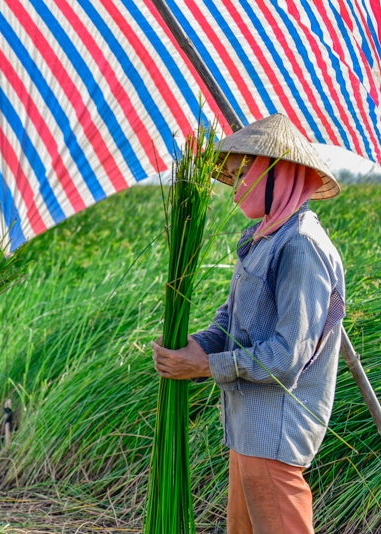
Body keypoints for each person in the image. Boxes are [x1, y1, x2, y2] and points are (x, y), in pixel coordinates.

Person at [151, 114, 345, 534]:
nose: (236, 186)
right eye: (235, 175)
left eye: (245, 175)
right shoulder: (263, 238)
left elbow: (286, 358)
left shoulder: (301, 246)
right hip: (246, 427)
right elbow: (231, 321)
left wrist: (205, 367)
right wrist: (194, 347)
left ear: (280, 176)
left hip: (276, 432)